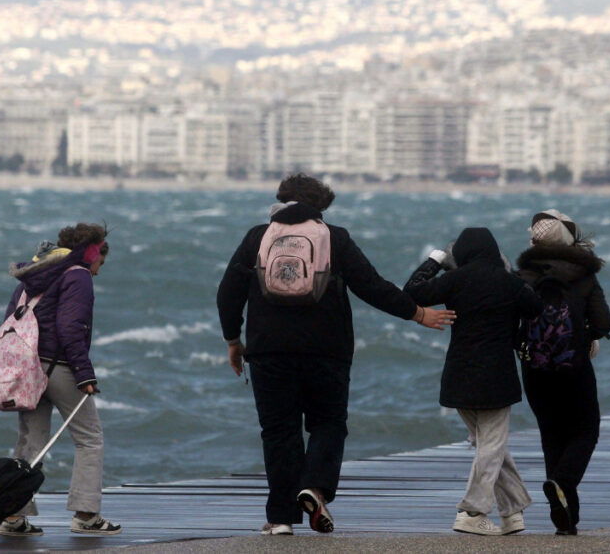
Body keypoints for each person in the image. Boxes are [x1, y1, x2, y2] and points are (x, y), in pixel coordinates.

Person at [216, 174, 455, 536]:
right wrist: (417, 313)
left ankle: (281, 519)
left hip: (269, 350)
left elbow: (227, 293)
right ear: (320, 206)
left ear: (281, 200)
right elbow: (371, 286)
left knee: (279, 432)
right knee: (328, 424)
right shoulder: (335, 238)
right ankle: (315, 487)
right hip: (327, 349)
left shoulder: (257, 237)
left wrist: (234, 340)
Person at [403, 228, 542, 537]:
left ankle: (513, 511)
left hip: (459, 376)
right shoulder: (509, 283)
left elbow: (412, 291)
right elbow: (536, 309)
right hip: (497, 376)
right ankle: (472, 511)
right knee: (491, 445)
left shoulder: (455, 280)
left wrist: (434, 261)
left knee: (489, 446)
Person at [0, 222, 122, 537]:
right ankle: (86, 514)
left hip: (29, 368)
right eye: (100, 263)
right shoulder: (77, 275)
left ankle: (13, 515)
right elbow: (70, 328)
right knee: (89, 438)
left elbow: (10, 319)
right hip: (60, 368)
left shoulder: (36, 273)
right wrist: (85, 375)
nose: (97, 271)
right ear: (92, 252)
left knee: (32, 442)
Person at [515, 209, 610, 535]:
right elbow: (604, 323)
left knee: (552, 436)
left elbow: (511, 323)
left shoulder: (523, 275)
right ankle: (562, 484)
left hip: (534, 368)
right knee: (586, 430)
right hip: (575, 367)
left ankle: (566, 520)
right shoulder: (584, 275)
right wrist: (588, 336)